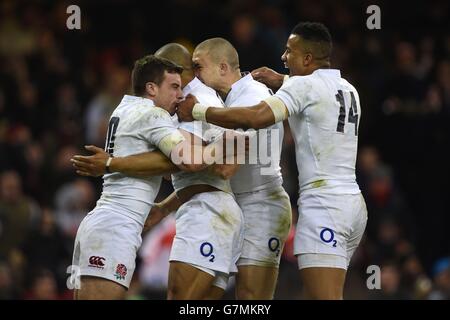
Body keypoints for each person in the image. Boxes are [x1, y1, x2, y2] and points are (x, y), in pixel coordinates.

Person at [177, 22, 368, 300]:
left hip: (323, 205)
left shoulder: (299, 87)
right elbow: (313, 90)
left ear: (307, 59)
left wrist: (197, 111)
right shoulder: (348, 88)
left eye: (289, 51)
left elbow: (255, 117)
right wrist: (281, 79)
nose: (283, 57)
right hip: (352, 205)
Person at [72, 44, 244, 300]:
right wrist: (228, 144)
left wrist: (114, 165)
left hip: (110, 223)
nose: (180, 95)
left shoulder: (124, 109)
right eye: (173, 87)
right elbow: (189, 162)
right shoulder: (154, 115)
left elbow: (164, 167)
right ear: (151, 87)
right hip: (116, 225)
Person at [191, 38, 292, 299]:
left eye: (198, 66)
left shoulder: (251, 97)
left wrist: (179, 159)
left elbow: (226, 167)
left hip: (262, 203)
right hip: (242, 202)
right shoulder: (236, 98)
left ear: (223, 67)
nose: (194, 75)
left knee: (251, 298)